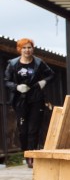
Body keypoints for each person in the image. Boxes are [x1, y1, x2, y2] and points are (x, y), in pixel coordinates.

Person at [4, 38, 55, 168]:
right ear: (19, 49)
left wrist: (43, 82)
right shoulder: (13, 64)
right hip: (20, 100)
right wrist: (16, 87)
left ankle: (32, 157)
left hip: (36, 99)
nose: (27, 50)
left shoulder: (39, 63)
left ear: (33, 49)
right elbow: (6, 81)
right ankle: (26, 153)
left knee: (34, 129)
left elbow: (51, 74)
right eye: (24, 48)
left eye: (29, 47)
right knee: (23, 130)